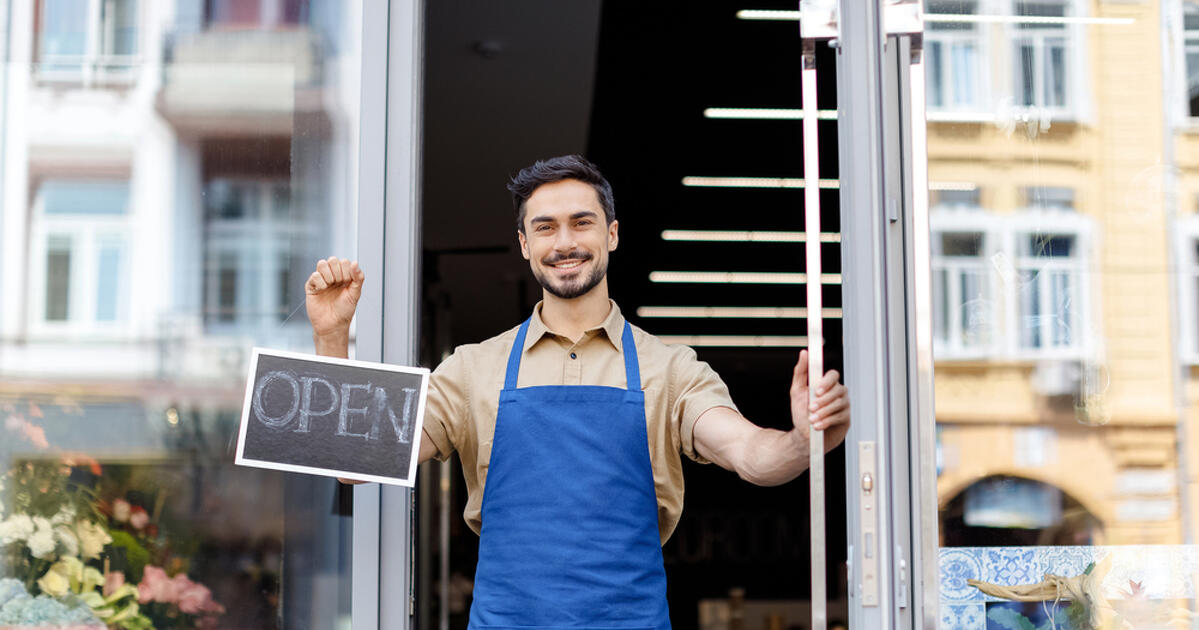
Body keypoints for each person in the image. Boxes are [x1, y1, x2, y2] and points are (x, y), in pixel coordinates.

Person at [305, 155, 850, 629]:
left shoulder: (670, 369)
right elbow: (356, 456)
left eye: (581, 223)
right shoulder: (473, 369)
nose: (564, 242)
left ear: (611, 233)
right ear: (524, 244)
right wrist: (332, 336)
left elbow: (752, 456)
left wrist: (804, 439)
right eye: (545, 228)